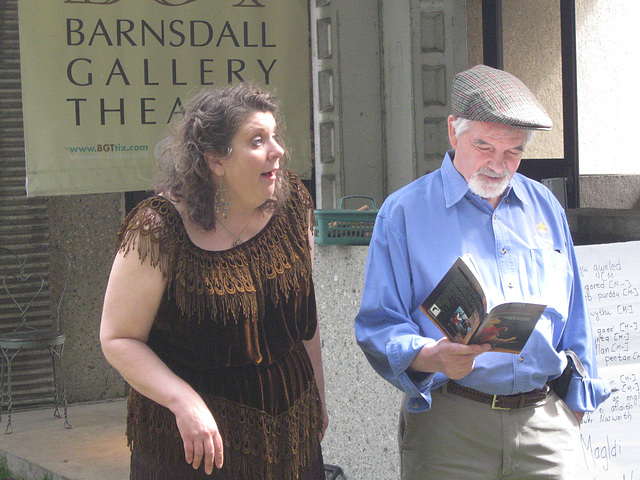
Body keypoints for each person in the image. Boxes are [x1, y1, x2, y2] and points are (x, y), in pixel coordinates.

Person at [354, 65, 610, 480]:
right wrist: (430, 356)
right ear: (453, 132)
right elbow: (378, 325)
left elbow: (577, 316)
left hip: (546, 422)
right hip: (452, 424)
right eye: (484, 146)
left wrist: (577, 407)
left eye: (513, 152)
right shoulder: (404, 213)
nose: (497, 163)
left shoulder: (544, 206)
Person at [100, 83, 328, 480]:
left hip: (291, 435)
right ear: (215, 160)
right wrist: (182, 400)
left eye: (275, 136)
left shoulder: (293, 206)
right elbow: (118, 338)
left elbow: (304, 324)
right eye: (257, 141)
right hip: (196, 448)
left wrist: (319, 396)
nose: (277, 150)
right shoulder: (158, 229)